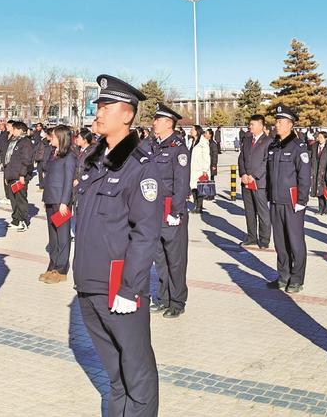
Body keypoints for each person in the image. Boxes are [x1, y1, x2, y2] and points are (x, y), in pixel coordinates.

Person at [73, 75, 161, 416]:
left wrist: (130, 288)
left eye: (105, 107)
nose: (97, 113)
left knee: (137, 375)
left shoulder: (140, 167)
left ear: (127, 115)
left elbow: (145, 233)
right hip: (89, 285)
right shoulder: (94, 160)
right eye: (98, 106)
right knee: (115, 374)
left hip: (118, 287)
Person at [147, 103, 190, 317]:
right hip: (154, 211)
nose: (154, 122)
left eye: (157, 119)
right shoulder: (154, 146)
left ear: (168, 123)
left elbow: (181, 183)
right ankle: (163, 298)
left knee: (175, 259)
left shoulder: (178, 148)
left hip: (170, 211)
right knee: (160, 259)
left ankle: (177, 302)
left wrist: (176, 211)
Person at [265, 105, 311, 294]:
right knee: (280, 242)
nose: (277, 125)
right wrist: (269, 197)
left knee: (295, 242)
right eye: (276, 121)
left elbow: (304, 175)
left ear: (290, 125)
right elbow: (269, 175)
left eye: (281, 122)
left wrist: (302, 200)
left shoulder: (298, 147)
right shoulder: (274, 146)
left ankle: (297, 279)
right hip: (276, 201)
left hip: (292, 203)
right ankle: (283, 275)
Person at [40, 125, 77, 283]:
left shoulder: (69, 156)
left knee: (62, 236)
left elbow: (68, 181)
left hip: (61, 201)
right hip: (50, 198)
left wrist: (64, 202)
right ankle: (52, 265)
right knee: (53, 235)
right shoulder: (53, 153)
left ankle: (61, 269)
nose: (51, 139)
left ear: (61, 138)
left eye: (54, 136)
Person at [238, 114, 272, 248]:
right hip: (246, 181)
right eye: (250, 124)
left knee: (262, 213)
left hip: (259, 183)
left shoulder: (268, 141)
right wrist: (243, 174)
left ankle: (264, 240)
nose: (250, 126)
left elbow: (266, 161)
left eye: (252, 124)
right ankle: (251, 237)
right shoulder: (247, 140)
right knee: (249, 212)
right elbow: (241, 158)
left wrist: (254, 175)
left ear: (261, 125)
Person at [3, 121, 34, 231]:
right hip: (12, 175)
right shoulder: (14, 141)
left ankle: (23, 221)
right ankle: (16, 220)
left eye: (15, 129)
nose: (13, 131)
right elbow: (8, 159)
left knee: (20, 199)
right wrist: (7, 176)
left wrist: (22, 175)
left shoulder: (25, 142)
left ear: (20, 130)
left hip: (19, 176)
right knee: (13, 199)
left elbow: (26, 160)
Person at [309, 130, 327, 215]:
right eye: (318, 137)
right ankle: (320, 209)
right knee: (318, 191)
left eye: (321, 137)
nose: (319, 139)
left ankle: (326, 209)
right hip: (316, 171)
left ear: (325, 139)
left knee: (325, 191)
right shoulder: (314, 146)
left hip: (325, 171)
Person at [189, 125, 211, 214]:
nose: (190, 131)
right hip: (193, 168)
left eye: (192, 129)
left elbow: (206, 156)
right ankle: (196, 204)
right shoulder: (192, 141)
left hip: (200, 169)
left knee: (200, 188)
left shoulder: (203, 142)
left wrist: (205, 169)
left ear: (197, 131)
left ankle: (199, 207)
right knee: (193, 188)